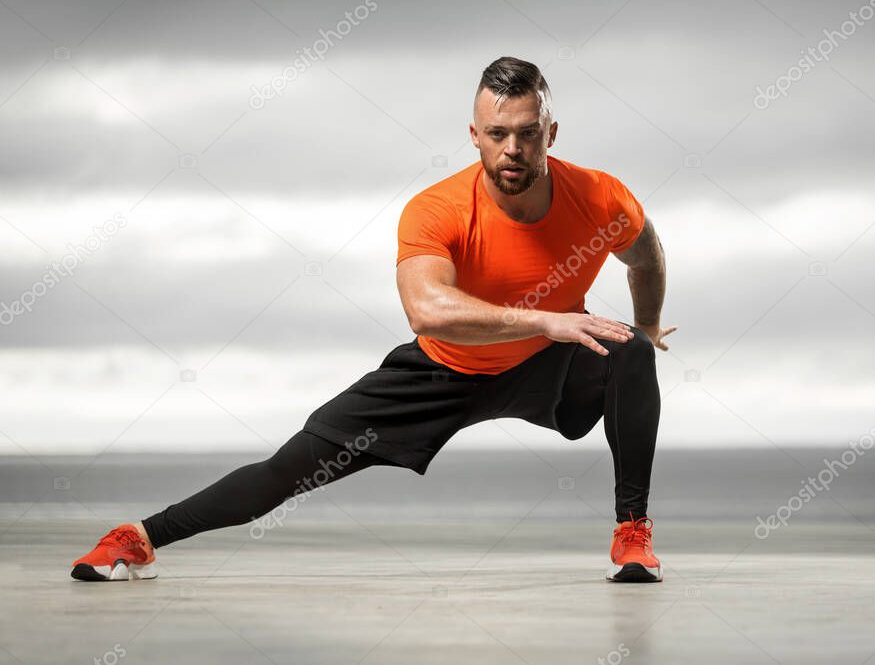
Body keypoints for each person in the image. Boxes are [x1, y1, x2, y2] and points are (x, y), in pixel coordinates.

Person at [71, 56, 676, 583]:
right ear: (474, 135)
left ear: (551, 131)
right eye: (497, 134)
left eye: (526, 133)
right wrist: (546, 320)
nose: (512, 150)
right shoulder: (437, 209)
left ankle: (632, 535)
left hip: (548, 368)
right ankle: (142, 537)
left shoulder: (599, 197)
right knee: (289, 468)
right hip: (441, 372)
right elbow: (427, 309)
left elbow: (644, 251)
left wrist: (645, 325)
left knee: (630, 352)